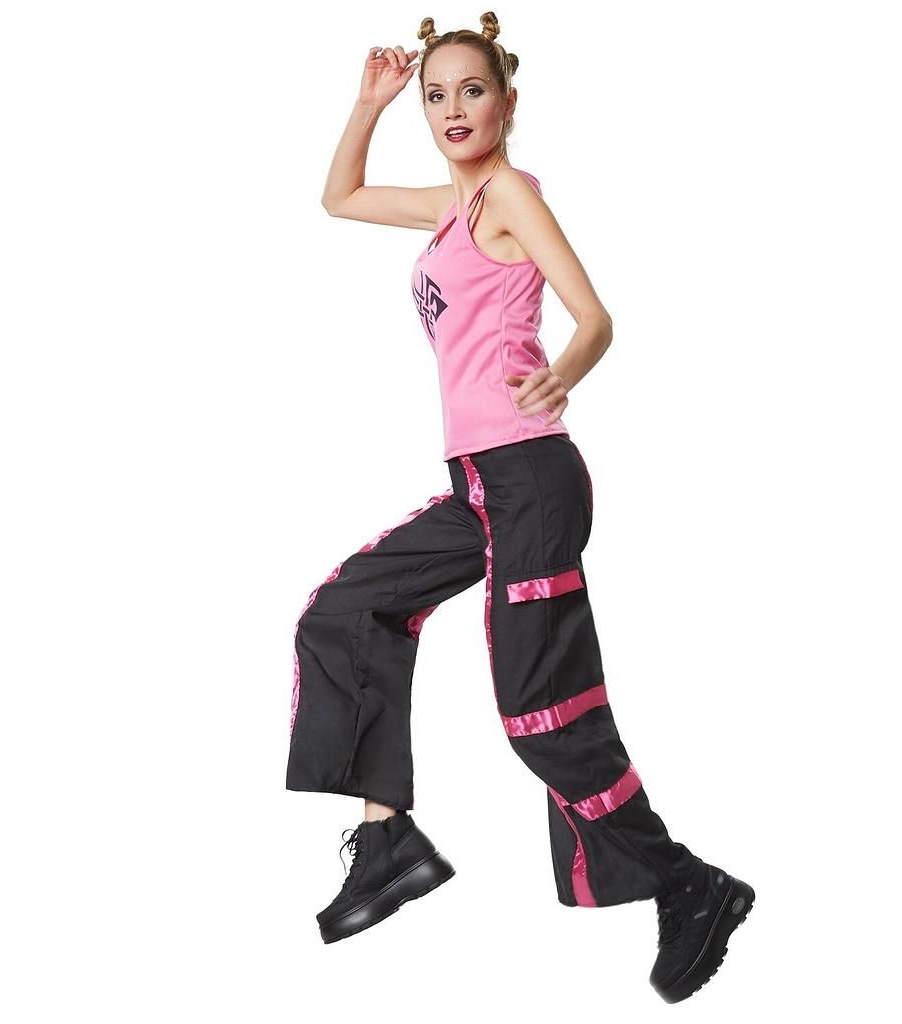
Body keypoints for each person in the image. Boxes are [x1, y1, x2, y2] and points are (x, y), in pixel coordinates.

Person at [285, 11, 755, 1003]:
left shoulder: (508, 195)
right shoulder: (451, 207)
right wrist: (368, 104)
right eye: (435, 94)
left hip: (529, 476)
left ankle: (688, 883)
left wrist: (564, 373)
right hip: (478, 485)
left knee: (537, 715)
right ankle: (387, 842)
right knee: (346, 609)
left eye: (472, 89)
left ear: (506, 100)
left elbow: (594, 316)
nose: (452, 108)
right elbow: (339, 197)